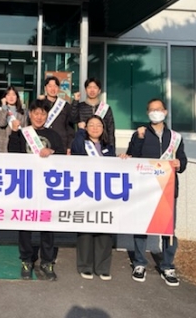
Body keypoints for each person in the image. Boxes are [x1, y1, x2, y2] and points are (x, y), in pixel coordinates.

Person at [123, 98, 187, 287]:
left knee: (168, 229)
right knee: (142, 226)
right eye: (152, 109)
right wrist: (139, 138)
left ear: (165, 112)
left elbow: (182, 161)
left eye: (158, 109)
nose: (155, 112)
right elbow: (132, 156)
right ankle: (139, 263)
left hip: (167, 189)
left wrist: (179, 163)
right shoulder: (140, 133)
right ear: (147, 113)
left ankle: (167, 265)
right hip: (145, 188)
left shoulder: (175, 137)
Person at [8, 99, 66, 281]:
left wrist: (52, 153)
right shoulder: (22, 133)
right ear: (30, 114)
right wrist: (14, 133)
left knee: (47, 224)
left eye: (43, 113)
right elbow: (12, 153)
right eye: (36, 113)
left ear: (47, 115)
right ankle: (26, 260)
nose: (39, 117)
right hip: (26, 185)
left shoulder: (53, 135)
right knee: (25, 224)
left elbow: (63, 157)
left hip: (47, 187)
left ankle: (47, 261)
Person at [71, 115, 116, 281]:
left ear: (103, 128)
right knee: (86, 230)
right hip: (85, 191)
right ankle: (85, 266)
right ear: (86, 128)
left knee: (104, 229)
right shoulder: (80, 143)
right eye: (91, 125)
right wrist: (80, 131)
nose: (95, 128)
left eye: (99, 125)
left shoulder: (108, 147)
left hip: (104, 193)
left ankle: (102, 267)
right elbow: (75, 148)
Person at [71, 77, 116, 147]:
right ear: (85, 90)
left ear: (99, 90)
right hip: (83, 144)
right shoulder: (79, 106)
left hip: (102, 144)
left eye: (95, 87)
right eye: (89, 87)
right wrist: (75, 102)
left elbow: (110, 130)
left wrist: (111, 147)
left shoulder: (106, 108)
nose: (92, 90)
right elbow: (72, 119)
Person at [39, 76, 75, 152]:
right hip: (43, 142)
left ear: (58, 88)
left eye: (55, 86)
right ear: (45, 88)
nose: (53, 89)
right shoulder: (39, 104)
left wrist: (69, 146)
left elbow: (70, 128)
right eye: (50, 86)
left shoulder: (65, 105)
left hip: (61, 143)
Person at [0, 86, 27, 153]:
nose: (11, 97)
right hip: (4, 146)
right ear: (4, 97)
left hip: (18, 143)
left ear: (17, 97)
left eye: (13, 95)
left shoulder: (23, 112)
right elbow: (2, 123)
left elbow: (25, 128)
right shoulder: (0, 110)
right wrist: (4, 106)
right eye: (8, 95)